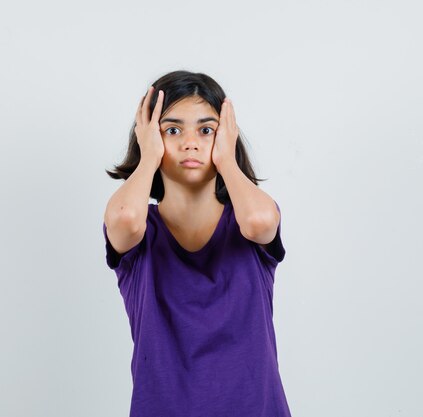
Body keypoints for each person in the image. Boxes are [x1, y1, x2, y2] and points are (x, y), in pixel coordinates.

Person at [102, 70, 291, 417]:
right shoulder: (140, 231)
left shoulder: (248, 220)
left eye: (206, 130)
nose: (190, 142)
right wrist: (147, 159)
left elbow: (261, 223)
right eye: (172, 130)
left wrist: (226, 160)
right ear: (150, 140)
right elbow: (125, 219)